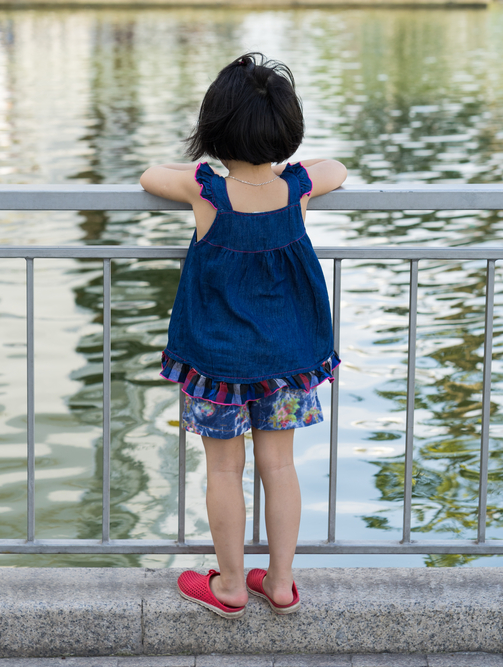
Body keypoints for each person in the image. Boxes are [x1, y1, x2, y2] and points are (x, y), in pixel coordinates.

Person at [140, 52, 347, 619]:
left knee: (224, 470)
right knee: (280, 467)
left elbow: (149, 176)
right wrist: (284, 169)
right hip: (286, 359)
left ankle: (230, 584)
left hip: (216, 364)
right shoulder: (298, 188)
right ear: (287, 130)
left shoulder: (205, 192)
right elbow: (338, 169)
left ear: (213, 129)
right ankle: (279, 583)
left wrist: (202, 167)